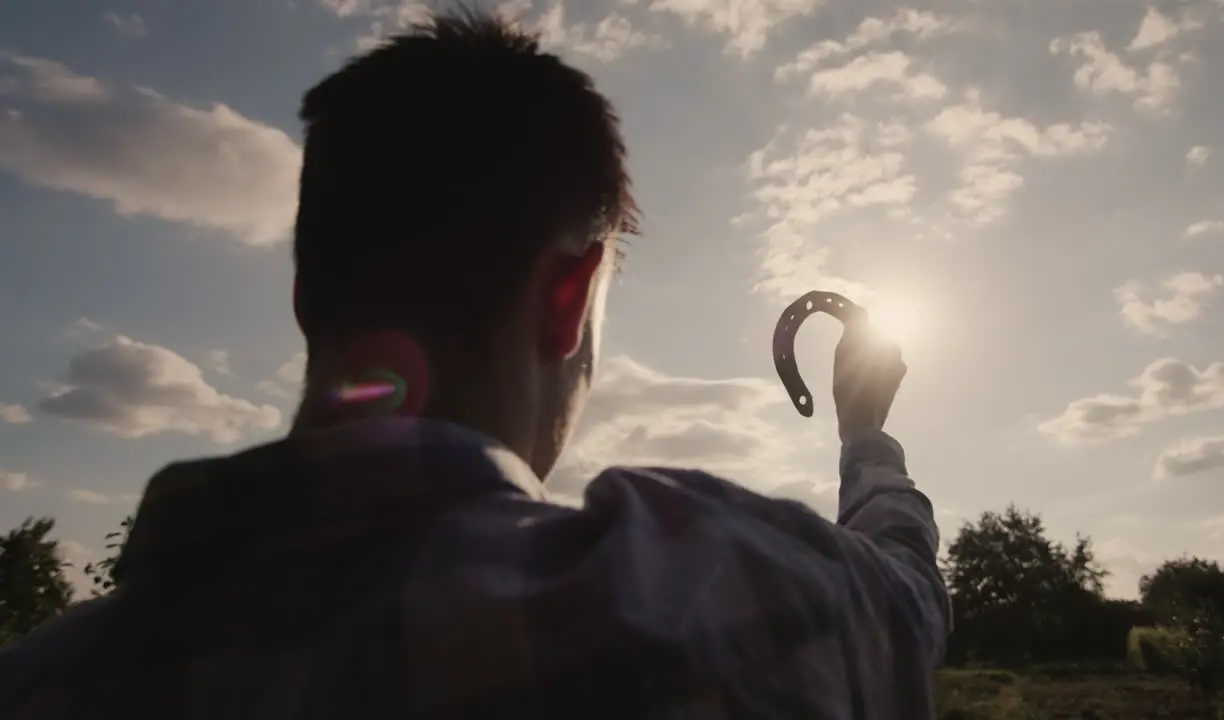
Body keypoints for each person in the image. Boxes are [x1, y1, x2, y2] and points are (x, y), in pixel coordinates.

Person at [0, 10, 950, 719]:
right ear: (568, 300)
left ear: (304, 298)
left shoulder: (44, 679)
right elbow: (904, 603)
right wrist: (865, 431)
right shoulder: (698, 604)